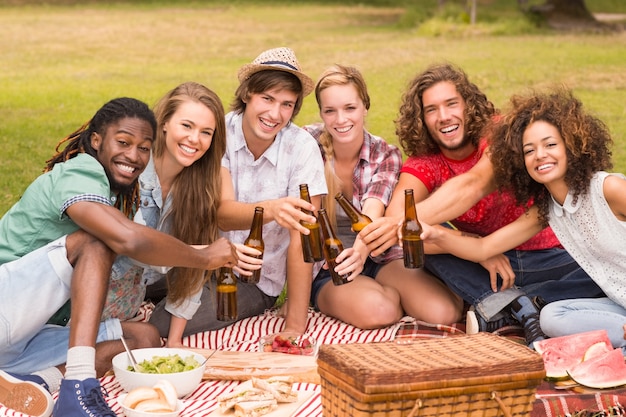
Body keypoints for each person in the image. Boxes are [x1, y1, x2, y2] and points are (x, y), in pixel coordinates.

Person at [0, 97, 238, 417]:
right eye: (123, 142)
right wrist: (206, 256)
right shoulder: (81, 170)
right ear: (96, 140)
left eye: (143, 148)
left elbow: (142, 247)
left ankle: (33, 381)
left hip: (23, 334)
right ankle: (78, 386)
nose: (133, 155)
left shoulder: (118, 193)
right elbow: (127, 239)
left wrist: (204, 254)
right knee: (95, 242)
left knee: (143, 337)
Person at [385, 63, 604, 346]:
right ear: (421, 119)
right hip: (488, 262)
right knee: (422, 242)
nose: (444, 116)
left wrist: (392, 228)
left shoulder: (502, 134)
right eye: (431, 109)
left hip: (554, 254)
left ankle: (510, 305)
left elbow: (475, 183)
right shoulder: (423, 164)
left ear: (469, 106)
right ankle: (519, 304)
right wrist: (469, 246)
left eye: (452, 104)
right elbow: (397, 223)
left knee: (604, 273)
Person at [148, 47, 327, 336]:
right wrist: (272, 209)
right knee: (129, 276)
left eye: (287, 104)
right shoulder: (220, 130)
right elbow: (222, 213)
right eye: (267, 98)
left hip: (250, 278)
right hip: (197, 253)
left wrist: (294, 327)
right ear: (247, 94)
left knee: (160, 325)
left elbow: (303, 238)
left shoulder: (302, 148)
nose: (275, 113)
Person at [99, 82, 261, 347]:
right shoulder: (130, 170)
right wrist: (205, 254)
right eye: (186, 126)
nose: (195, 139)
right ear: (163, 123)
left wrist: (174, 340)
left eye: (206, 132)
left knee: (147, 339)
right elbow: (134, 248)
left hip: (121, 305)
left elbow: (192, 273)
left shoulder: (197, 187)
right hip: (83, 296)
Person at [302, 64, 462, 329]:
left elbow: (372, 212)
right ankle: (380, 296)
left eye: (350, 108)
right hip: (330, 264)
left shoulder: (384, 153)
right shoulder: (306, 145)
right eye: (330, 111)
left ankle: (393, 290)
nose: (341, 120)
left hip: (377, 251)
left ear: (365, 106)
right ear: (321, 113)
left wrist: (361, 252)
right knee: (379, 312)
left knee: (443, 313)